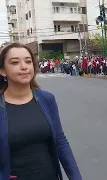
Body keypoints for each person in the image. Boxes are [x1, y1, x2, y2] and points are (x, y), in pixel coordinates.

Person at [0, 43, 82, 180]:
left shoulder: (46, 99)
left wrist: (75, 176)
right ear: (3, 71)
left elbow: (60, 141)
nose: (24, 66)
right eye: (15, 62)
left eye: (28, 61)